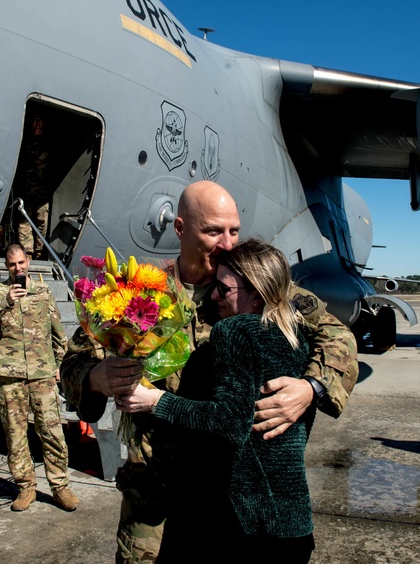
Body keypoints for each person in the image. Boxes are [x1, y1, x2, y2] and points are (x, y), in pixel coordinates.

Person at [60, 180, 358, 562]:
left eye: (234, 230)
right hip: (156, 490)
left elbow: (337, 335)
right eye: (214, 231)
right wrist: (97, 378)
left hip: (229, 491)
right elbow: (72, 362)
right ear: (181, 229)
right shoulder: (139, 291)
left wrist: (310, 387)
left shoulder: (256, 286)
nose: (228, 243)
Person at [119, 239, 316, 562]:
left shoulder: (234, 331)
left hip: (239, 526)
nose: (213, 297)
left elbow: (228, 422)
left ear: (257, 294)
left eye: (223, 290)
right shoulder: (297, 340)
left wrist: (155, 400)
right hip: (292, 524)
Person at [0, 244, 80, 512]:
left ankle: (60, 487)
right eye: (12, 265)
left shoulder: (43, 293)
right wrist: (6, 300)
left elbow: (60, 335)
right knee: (15, 434)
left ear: (29, 261)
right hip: (9, 377)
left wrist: (59, 365)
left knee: (52, 431)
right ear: (6, 266)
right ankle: (25, 488)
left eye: (21, 263)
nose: (18, 268)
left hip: (41, 375)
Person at [15, 115, 50, 260]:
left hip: (43, 190)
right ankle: (27, 255)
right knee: (24, 222)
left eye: (40, 121)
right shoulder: (23, 143)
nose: (37, 124)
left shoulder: (49, 143)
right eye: (34, 121)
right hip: (26, 189)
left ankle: (39, 254)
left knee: (42, 222)